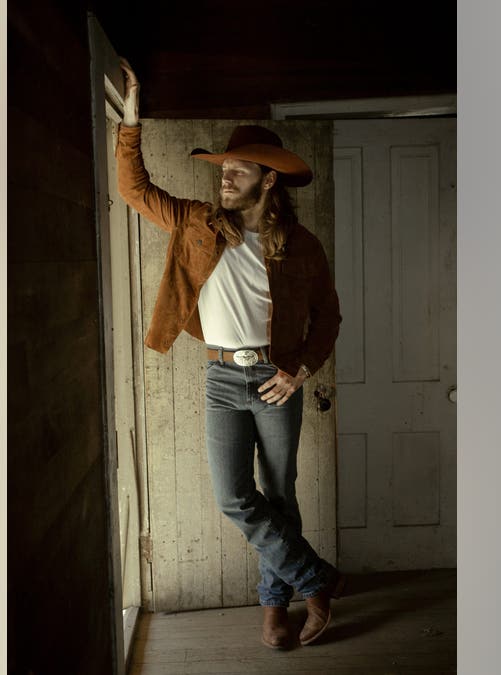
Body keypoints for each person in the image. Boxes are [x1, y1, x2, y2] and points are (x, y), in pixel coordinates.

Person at [115, 58, 345, 649]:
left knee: (281, 492)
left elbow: (329, 317)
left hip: (275, 379)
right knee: (233, 497)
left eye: (239, 169)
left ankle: (274, 609)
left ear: (269, 180)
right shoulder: (196, 222)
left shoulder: (301, 247)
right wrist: (131, 118)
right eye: (224, 167)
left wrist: (300, 370)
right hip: (221, 380)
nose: (226, 175)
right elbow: (133, 188)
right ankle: (313, 581)